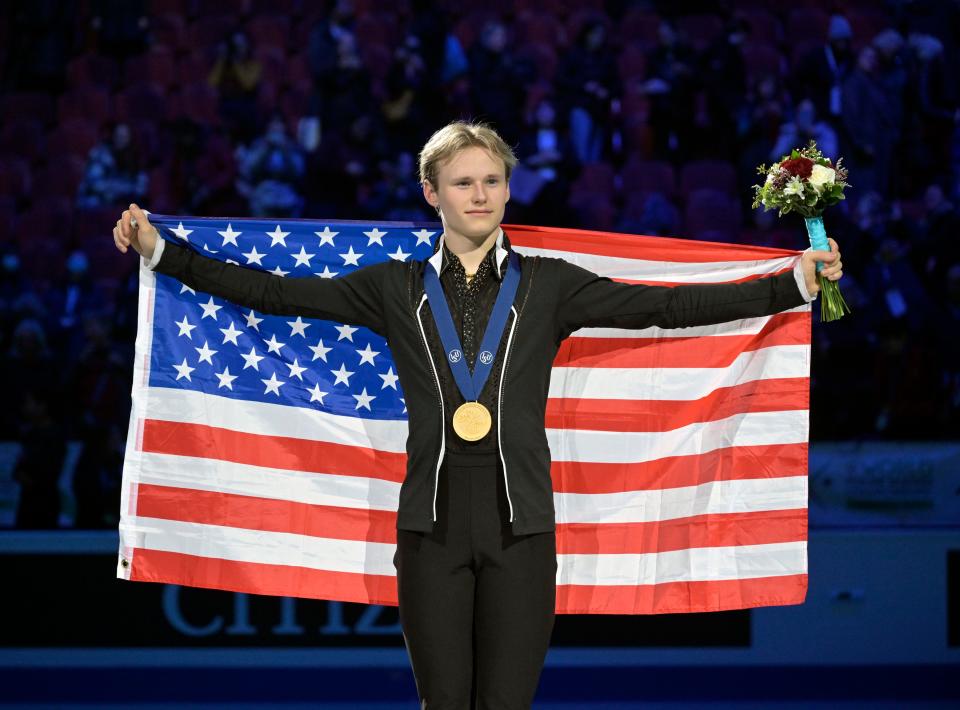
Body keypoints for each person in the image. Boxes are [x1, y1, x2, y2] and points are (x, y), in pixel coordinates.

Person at [113, 121, 844, 708]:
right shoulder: (391, 288)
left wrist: (790, 284)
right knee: (445, 703)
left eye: (493, 180)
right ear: (432, 192)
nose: (481, 194)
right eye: (464, 182)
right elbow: (273, 294)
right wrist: (162, 253)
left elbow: (666, 307)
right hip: (429, 525)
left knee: (504, 703)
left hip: (522, 526)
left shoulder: (552, 286)